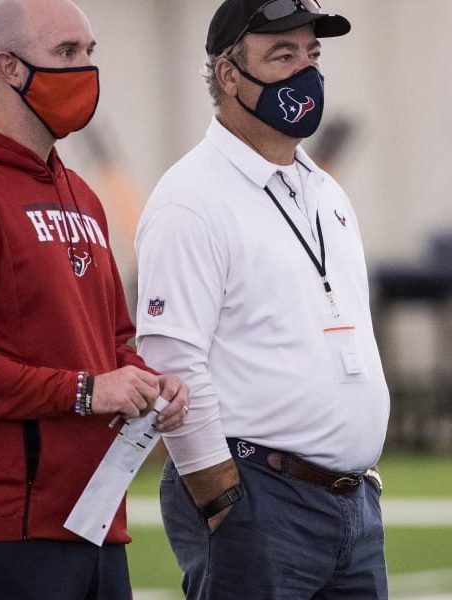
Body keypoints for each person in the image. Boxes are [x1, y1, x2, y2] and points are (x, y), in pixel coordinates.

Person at [0, 1, 188, 598]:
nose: (85, 69)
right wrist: (86, 390)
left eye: (89, 53)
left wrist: (147, 382)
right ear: (9, 66)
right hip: (1, 525)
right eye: (66, 54)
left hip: (94, 519)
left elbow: (113, 342)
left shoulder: (80, 194)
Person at [135, 1, 390, 598]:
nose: (305, 72)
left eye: (312, 54)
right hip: (259, 495)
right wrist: (224, 501)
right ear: (228, 75)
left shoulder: (325, 192)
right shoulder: (191, 199)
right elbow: (172, 362)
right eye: (282, 55)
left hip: (349, 502)